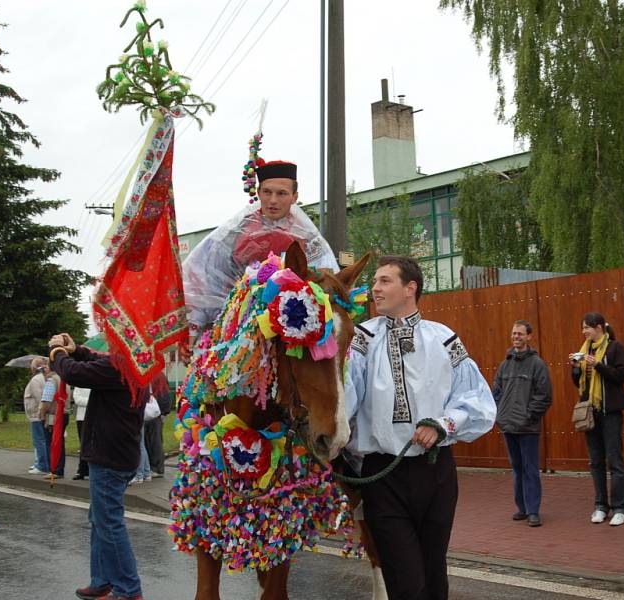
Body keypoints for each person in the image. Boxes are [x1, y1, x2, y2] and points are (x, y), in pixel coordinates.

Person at [345, 255, 496, 600]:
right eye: (375, 281)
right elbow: (346, 397)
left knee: (433, 574)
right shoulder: (362, 339)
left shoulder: (443, 339)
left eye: (385, 281)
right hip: (383, 474)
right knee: (405, 580)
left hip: (436, 472)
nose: (375, 288)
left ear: (410, 288)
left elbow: (477, 400)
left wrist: (444, 424)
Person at [182, 158, 338, 345]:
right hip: (236, 333)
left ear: (294, 197)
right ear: (258, 193)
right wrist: (194, 325)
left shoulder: (308, 238)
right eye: (267, 192)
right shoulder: (234, 233)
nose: (273, 200)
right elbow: (205, 282)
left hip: (292, 330)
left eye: (281, 193)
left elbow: (328, 281)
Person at [48, 333, 145, 600]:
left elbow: (75, 374)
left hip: (109, 456)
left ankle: (128, 589)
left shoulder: (121, 366)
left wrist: (58, 353)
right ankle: (102, 581)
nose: (110, 343)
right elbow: (95, 360)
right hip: (118, 453)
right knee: (100, 520)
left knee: (109, 523)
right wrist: (76, 349)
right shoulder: (136, 362)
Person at [569, 312, 624, 526]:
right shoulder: (585, 350)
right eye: (583, 328)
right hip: (590, 412)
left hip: (610, 411)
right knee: (595, 461)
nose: (584, 332)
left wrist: (598, 365)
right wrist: (576, 368)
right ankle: (600, 506)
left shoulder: (615, 348)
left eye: (587, 327)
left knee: (615, 460)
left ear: (599, 328)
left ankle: (620, 508)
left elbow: (620, 377)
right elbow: (579, 384)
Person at [493, 320, 552, 527]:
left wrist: (529, 416)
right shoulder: (505, 364)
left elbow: (544, 396)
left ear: (529, 337)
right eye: (514, 333)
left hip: (527, 427)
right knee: (517, 468)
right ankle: (522, 508)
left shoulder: (537, 364)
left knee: (530, 469)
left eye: (520, 334)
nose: (516, 337)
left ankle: (534, 511)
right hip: (508, 425)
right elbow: (496, 392)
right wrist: (500, 414)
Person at [38, 364, 65, 479]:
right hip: (63, 413)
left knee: (52, 443)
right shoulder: (62, 378)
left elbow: (46, 401)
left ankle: (54, 470)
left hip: (53, 415)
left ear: (49, 369)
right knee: (60, 443)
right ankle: (59, 469)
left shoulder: (51, 380)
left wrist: (42, 415)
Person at [24, 357, 50, 475]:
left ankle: (42, 465)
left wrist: (42, 413)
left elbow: (39, 398)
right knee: (44, 440)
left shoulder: (36, 379)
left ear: (34, 367)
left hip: (36, 414)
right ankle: (41, 463)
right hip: (41, 414)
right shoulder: (46, 378)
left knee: (39, 441)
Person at [143, 375, 171, 477]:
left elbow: (163, 395)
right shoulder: (159, 375)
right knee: (153, 440)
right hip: (156, 412)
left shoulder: (156, 377)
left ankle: (156, 468)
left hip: (154, 412)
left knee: (153, 441)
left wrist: (164, 412)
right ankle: (153, 466)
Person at [73, 386, 91, 480]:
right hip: (81, 417)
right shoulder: (80, 383)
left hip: (93, 416)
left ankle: (90, 470)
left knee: (92, 444)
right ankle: (82, 470)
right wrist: (92, 401)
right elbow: (77, 399)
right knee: (83, 444)